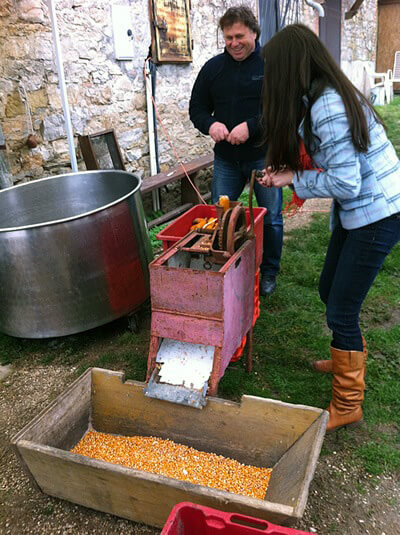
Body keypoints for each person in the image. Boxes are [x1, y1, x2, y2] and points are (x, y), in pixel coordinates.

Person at [257, 24, 400, 431]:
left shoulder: (328, 106)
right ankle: (346, 352)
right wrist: (291, 169)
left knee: (341, 307)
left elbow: (346, 182)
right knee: (328, 290)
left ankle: (349, 399)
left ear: (289, 67)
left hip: (378, 213)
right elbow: (337, 166)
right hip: (361, 210)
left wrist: (292, 181)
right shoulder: (320, 94)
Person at [189, 5, 283, 296]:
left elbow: (282, 110)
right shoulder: (213, 68)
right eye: (228, 37)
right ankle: (224, 267)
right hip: (227, 161)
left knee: (271, 218)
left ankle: (268, 271)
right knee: (221, 216)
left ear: (254, 33)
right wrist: (211, 124)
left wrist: (251, 127)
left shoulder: (271, 65)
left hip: (262, 155)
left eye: (239, 36)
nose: (233, 43)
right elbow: (197, 109)